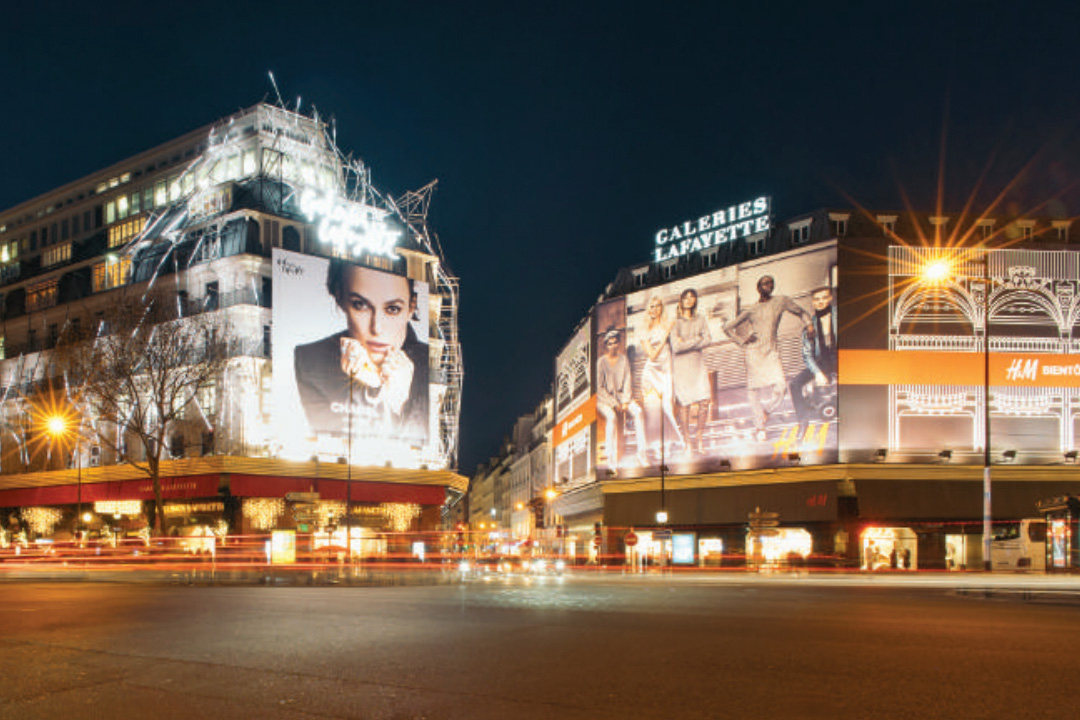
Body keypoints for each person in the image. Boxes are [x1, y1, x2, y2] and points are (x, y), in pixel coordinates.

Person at [294, 260, 428, 444]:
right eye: (360, 305)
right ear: (340, 298)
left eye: (393, 309)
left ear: (411, 307)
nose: (377, 328)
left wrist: (399, 401)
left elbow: (421, 455)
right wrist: (372, 389)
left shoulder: (430, 366)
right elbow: (334, 449)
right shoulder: (311, 360)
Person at [723, 275, 815, 441]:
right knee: (753, 390)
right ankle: (760, 427)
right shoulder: (751, 309)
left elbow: (801, 312)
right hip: (753, 352)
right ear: (758, 288)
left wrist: (809, 324)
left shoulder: (781, 301)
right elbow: (727, 328)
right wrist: (742, 341)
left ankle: (766, 411)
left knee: (781, 386)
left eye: (771, 282)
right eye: (765, 283)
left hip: (771, 351)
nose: (769, 285)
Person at [640, 294, 686, 456]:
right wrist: (664, 336)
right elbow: (651, 355)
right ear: (648, 310)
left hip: (667, 371)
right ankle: (655, 446)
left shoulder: (668, 325)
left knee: (667, 407)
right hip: (651, 374)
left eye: (658, 306)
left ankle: (670, 442)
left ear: (662, 308)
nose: (655, 309)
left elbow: (679, 341)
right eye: (652, 306)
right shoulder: (644, 331)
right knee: (653, 411)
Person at [788, 285, 838, 434]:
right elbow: (807, 354)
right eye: (816, 299)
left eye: (824, 298)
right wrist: (817, 372)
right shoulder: (810, 326)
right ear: (813, 302)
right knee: (794, 384)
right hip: (822, 361)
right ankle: (803, 421)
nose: (820, 302)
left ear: (830, 298)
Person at [596, 328, 647, 467]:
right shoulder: (601, 362)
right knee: (611, 418)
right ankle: (610, 461)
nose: (613, 346)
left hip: (623, 397)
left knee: (638, 412)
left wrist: (625, 402)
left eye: (615, 343)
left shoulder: (624, 359)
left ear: (618, 343)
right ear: (606, 345)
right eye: (610, 343)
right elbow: (599, 387)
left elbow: (627, 381)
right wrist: (613, 403)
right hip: (604, 400)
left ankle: (642, 454)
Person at [671, 288, 712, 454]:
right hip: (681, 367)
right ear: (681, 300)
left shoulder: (701, 319)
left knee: (704, 401)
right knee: (685, 405)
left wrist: (689, 341)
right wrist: (697, 340)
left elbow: (708, 340)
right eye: (686, 297)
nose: (689, 299)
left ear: (695, 300)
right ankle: (687, 441)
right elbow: (677, 347)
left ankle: (699, 438)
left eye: (692, 297)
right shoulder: (675, 322)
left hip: (698, 365)